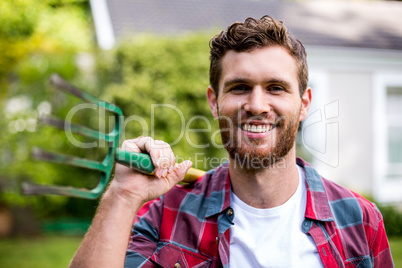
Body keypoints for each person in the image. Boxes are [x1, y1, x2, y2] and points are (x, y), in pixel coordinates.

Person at [69, 16, 394, 267]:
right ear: (214, 101)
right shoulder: (166, 216)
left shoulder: (360, 221)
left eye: (276, 88)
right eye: (239, 87)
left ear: (304, 103)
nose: (256, 104)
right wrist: (122, 195)